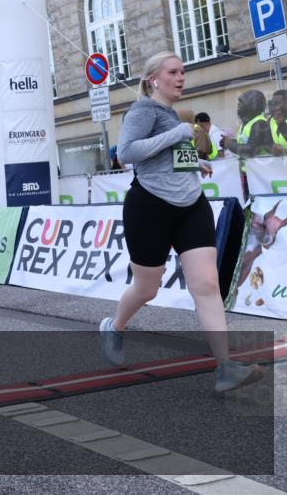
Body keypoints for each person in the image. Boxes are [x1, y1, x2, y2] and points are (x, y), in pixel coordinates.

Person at [100, 51, 262, 393]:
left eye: (183, 72)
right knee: (148, 288)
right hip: (150, 206)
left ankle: (225, 367)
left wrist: (194, 165)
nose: (181, 77)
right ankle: (114, 327)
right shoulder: (142, 110)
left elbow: (170, 157)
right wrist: (175, 136)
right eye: (173, 72)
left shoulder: (174, 115)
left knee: (206, 285)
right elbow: (126, 153)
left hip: (191, 204)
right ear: (153, 79)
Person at [221, 90, 272, 158]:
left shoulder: (259, 123)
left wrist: (230, 144)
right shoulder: (247, 123)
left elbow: (250, 150)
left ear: (251, 105)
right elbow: (244, 143)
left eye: (241, 102)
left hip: (263, 166)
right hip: (252, 167)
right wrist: (228, 141)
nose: (238, 104)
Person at [268, 89, 287, 154]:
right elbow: (265, 141)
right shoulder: (271, 120)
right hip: (281, 163)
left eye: (277, 102)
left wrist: (282, 125)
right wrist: (272, 147)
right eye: (273, 103)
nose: (274, 106)